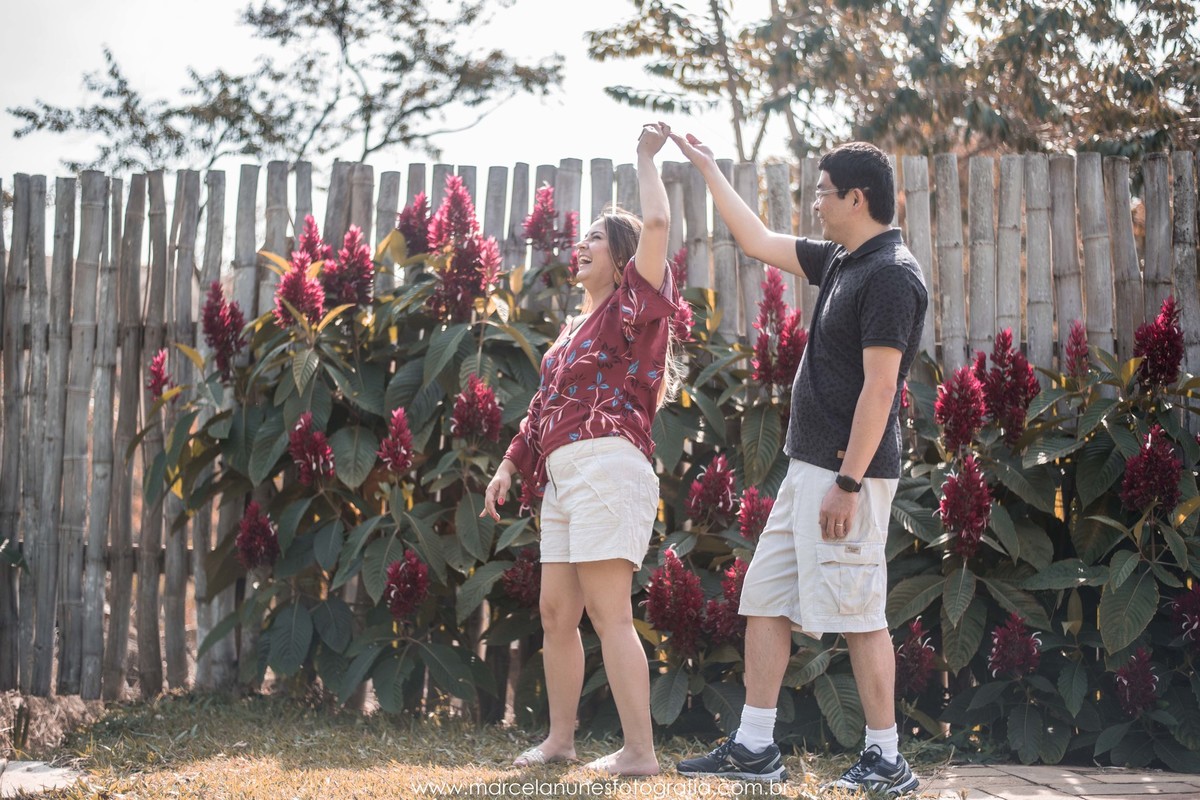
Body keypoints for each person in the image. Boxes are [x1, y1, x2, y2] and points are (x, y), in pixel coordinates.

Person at [670, 133, 926, 795]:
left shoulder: (891, 275)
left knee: (859, 611)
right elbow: (755, 239)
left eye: (822, 191)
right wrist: (706, 167)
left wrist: (848, 481)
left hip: (848, 475)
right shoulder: (845, 260)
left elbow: (881, 389)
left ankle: (887, 759)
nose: (814, 203)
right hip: (804, 468)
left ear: (856, 197)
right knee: (766, 600)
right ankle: (755, 745)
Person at [482, 122, 679, 777]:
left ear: (624, 260)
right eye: (584, 235)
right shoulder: (569, 332)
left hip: (608, 466)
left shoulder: (633, 309)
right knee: (556, 613)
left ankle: (640, 753)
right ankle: (561, 742)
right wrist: (511, 463)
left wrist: (644, 156)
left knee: (608, 613)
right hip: (563, 478)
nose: (582, 243)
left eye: (596, 236)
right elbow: (541, 412)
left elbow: (655, 221)